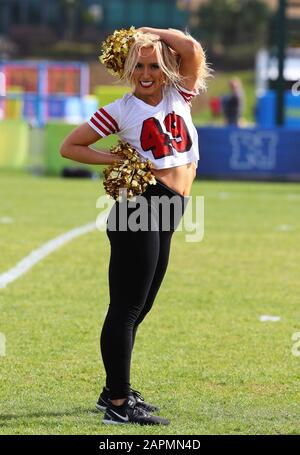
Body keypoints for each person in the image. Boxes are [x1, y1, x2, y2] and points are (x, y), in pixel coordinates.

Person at [60, 26, 209, 426]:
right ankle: (119, 405)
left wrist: (149, 32)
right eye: (138, 66)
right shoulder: (121, 109)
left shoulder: (180, 95)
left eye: (153, 65)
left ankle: (113, 389)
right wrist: (119, 161)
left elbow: (191, 48)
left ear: (165, 68)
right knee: (126, 309)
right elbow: (70, 146)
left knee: (141, 306)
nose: (146, 73)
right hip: (140, 209)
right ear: (127, 70)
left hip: (169, 209)